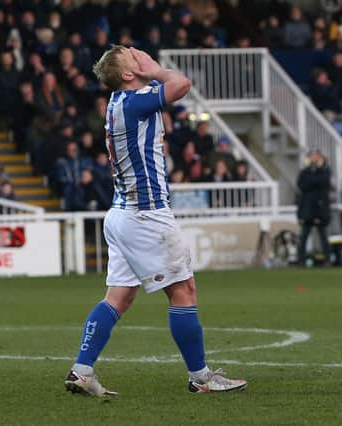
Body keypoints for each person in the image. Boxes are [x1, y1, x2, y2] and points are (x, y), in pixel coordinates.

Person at [64, 46, 246, 397]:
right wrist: (158, 70)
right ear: (129, 75)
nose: (142, 58)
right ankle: (201, 377)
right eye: (135, 59)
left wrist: (147, 72)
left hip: (122, 214)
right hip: (146, 215)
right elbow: (181, 85)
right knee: (183, 290)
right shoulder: (132, 102)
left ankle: (82, 370)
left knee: (118, 297)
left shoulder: (121, 102)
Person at [296, 148, 332, 265]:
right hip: (307, 208)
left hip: (320, 207)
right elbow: (302, 185)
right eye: (312, 155)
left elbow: (324, 182)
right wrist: (315, 180)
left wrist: (318, 172)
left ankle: (327, 259)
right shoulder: (304, 171)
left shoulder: (325, 170)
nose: (314, 158)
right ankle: (301, 260)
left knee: (323, 235)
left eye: (317, 155)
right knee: (304, 236)